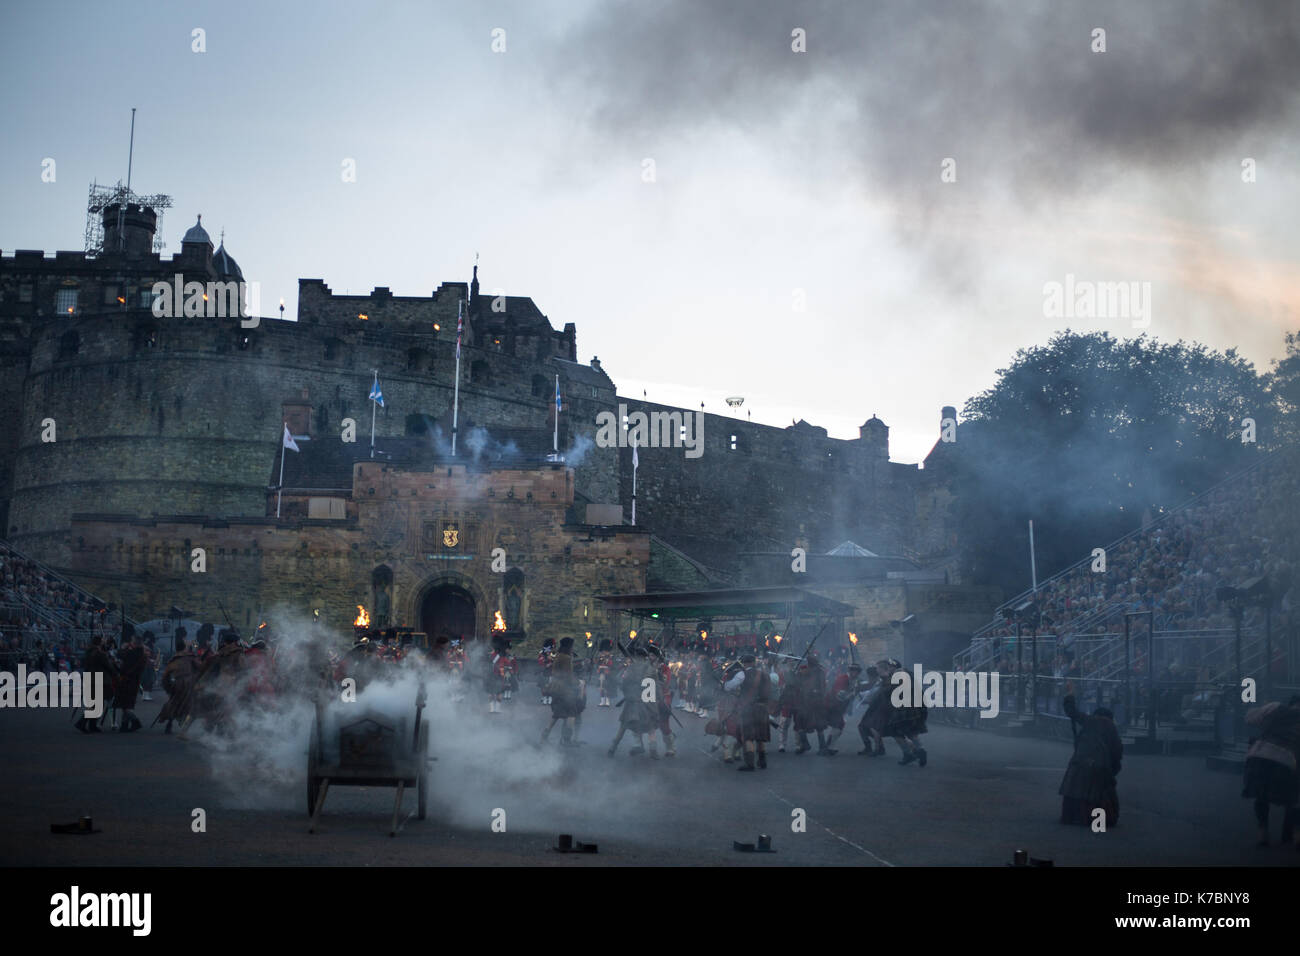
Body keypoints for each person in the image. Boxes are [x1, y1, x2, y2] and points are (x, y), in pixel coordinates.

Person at [1242, 696, 1300, 848]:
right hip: (1287, 760)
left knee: (1261, 797)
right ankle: (1296, 835)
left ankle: (1263, 833)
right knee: (1294, 800)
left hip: (1260, 756)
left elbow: (1249, 718)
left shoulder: (1276, 707)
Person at [1059, 691, 1122, 826]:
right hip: (1101, 767)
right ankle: (1099, 820)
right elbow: (1117, 753)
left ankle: (1073, 817)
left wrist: (1070, 695)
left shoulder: (1093, 721)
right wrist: (1112, 771)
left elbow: (1072, 712)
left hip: (1083, 763)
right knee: (1099, 795)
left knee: (1074, 791)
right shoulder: (1111, 728)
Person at [725, 652, 772, 771]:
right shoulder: (765, 674)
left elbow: (729, 687)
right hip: (763, 708)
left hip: (749, 709)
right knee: (760, 737)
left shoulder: (742, 674)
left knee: (749, 737)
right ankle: (762, 762)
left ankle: (750, 764)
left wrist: (727, 681)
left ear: (745, 664)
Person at [541, 637, 583, 745]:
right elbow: (568, 676)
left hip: (555, 687)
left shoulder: (559, 655)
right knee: (572, 712)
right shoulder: (566, 658)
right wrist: (579, 683)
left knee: (557, 713)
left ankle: (545, 733)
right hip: (564, 689)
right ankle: (567, 739)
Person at [157, 634, 199, 734]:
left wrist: (169, 687)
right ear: (184, 648)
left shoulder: (173, 660)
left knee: (174, 703)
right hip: (188, 684)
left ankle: (172, 723)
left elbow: (165, 677)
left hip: (178, 684)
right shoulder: (190, 657)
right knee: (188, 705)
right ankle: (182, 723)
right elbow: (200, 667)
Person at [74, 635, 115, 734]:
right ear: (99, 643)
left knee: (96, 703)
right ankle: (82, 723)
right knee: (96, 704)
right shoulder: (99, 653)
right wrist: (115, 673)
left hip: (90, 678)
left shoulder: (89, 652)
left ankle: (92, 725)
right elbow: (107, 665)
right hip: (99, 679)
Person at [822, 663, 861, 756]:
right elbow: (840, 695)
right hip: (833, 705)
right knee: (838, 726)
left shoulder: (854, 680)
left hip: (840, 707)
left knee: (839, 726)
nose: (854, 673)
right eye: (852, 670)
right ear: (849, 671)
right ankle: (828, 747)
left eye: (856, 671)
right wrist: (853, 693)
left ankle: (829, 746)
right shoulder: (842, 679)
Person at [114, 626, 145, 733]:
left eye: (132, 641)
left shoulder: (135, 652)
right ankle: (124, 725)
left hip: (128, 680)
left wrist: (123, 648)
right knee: (126, 704)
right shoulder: (139, 652)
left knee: (125, 704)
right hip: (133, 680)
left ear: (135, 643)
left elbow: (121, 655)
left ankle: (135, 721)